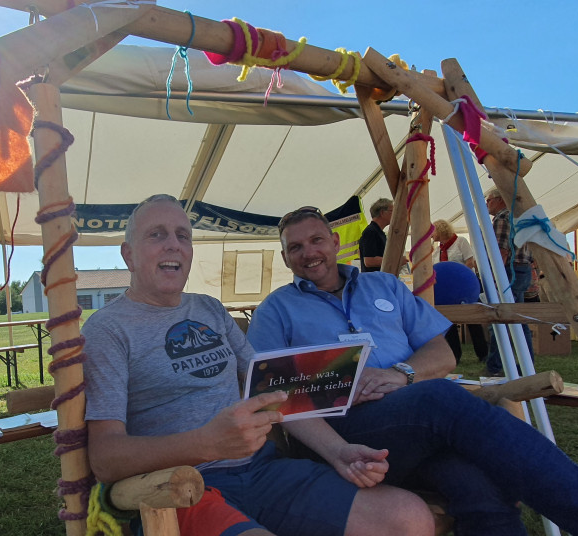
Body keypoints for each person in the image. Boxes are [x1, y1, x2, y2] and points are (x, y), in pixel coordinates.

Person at [82, 194, 434, 536]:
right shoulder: (108, 329)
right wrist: (204, 444)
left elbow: (275, 392)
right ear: (128, 254)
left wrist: (338, 452)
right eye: (156, 234)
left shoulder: (209, 309)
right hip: (180, 488)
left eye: (183, 235)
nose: (173, 244)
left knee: (409, 518)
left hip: (263, 471)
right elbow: (106, 458)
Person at [246, 205, 578, 536]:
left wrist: (401, 374)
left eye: (316, 240)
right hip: (338, 431)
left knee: (478, 486)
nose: (308, 252)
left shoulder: (385, 286)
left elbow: (442, 353)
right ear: (285, 258)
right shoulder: (276, 309)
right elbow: (272, 394)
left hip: (414, 426)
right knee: (440, 397)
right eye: (296, 247)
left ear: (335, 243)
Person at [484, 189, 535, 376]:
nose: (487, 203)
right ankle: (526, 366)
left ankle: (496, 366)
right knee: (519, 320)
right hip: (522, 269)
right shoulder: (519, 216)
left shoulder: (502, 217)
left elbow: (501, 251)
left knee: (500, 318)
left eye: (488, 200)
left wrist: (494, 276)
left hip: (508, 271)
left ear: (498, 200)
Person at [431, 219, 488, 363]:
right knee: (449, 322)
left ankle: (482, 353)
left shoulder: (461, 242)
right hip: (447, 292)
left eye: (433, 231)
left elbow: (470, 262)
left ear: (441, 230)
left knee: (472, 321)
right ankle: (455, 355)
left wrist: (458, 277)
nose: (431, 235)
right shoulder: (437, 250)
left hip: (464, 287)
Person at [358, 198, 392, 272]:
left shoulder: (378, 232)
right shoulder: (370, 232)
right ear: (382, 213)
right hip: (374, 281)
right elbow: (369, 261)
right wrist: (394, 260)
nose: (394, 214)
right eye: (391, 211)